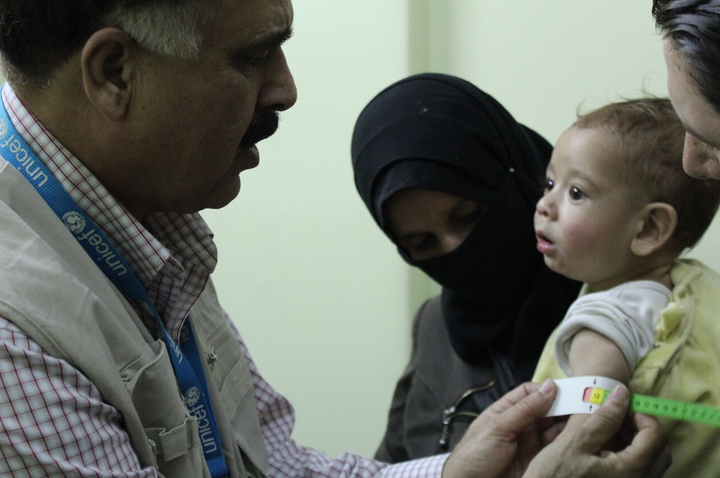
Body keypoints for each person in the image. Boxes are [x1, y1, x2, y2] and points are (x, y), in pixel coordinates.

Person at [0, 1, 669, 477]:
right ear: (114, 71)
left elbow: (274, 463)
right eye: (254, 53)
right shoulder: (16, 340)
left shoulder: (155, 238)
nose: (285, 90)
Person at [350, 73, 582, 461]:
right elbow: (390, 464)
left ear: (517, 176)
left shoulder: (632, 309)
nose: (457, 249)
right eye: (422, 243)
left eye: (469, 215)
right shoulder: (434, 327)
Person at [532, 97, 720, 477]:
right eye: (550, 183)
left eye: (576, 193)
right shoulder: (696, 291)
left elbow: (591, 417)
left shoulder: (605, 316)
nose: (544, 205)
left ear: (648, 228)